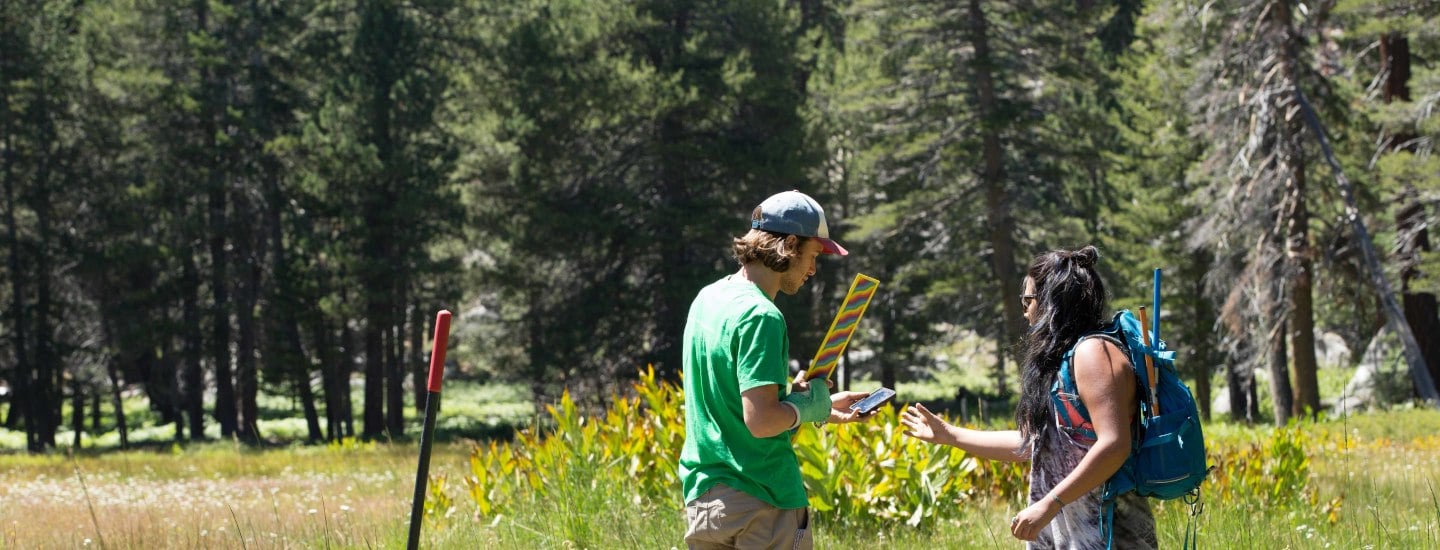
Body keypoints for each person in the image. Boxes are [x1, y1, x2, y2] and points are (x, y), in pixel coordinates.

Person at [899, 246, 1157, 549]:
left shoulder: (1094, 354)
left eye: (1028, 299)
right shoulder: (1070, 358)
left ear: (1052, 301)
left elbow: (1114, 445)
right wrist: (951, 435)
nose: (1025, 310)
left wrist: (1049, 504)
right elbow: (1034, 445)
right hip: (1075, 536)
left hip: (1113, 533)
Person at [679, 190, 880, 550]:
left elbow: (733, 404)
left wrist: (801, 400)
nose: (813, 270)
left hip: (704, 502)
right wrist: (814, 405)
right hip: (761, 499)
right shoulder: (762, 316)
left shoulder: (707, 298)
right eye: (814, 254)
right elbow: (761, 422)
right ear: (790, 244)